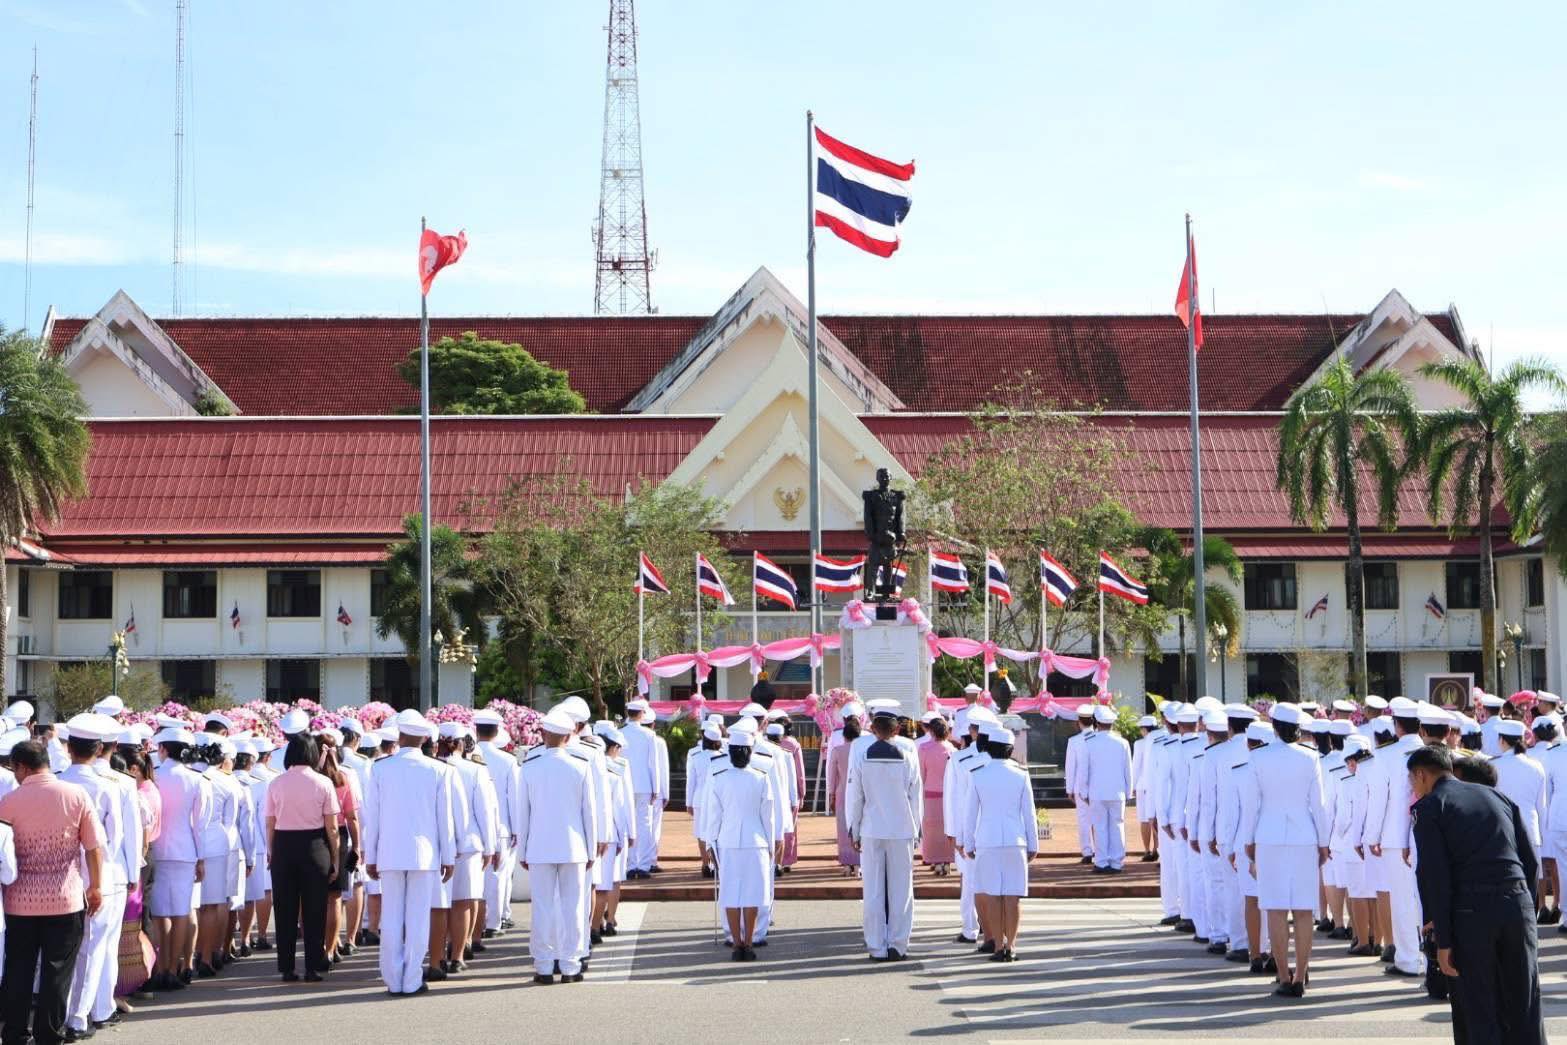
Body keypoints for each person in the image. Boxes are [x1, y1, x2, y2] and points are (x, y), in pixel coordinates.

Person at [1410, 743, 1545, 1045]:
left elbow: (1436, 876)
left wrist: (1443, 939)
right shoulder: (1499, 797)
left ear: (1420, 776)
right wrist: (1524, 910)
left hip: (1471, 913)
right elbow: (1531, 862)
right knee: (1525, 1003)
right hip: (1518, 905)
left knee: (1478, 1008)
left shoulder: (1430, 807)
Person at [0, 740, 105, 1045]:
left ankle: (15, 1034)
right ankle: (50, 1035)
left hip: (19, 902)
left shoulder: (9, 802)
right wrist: (96, 886)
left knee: (18, 970)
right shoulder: (76, 795)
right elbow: (93, 848)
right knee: (57, 974)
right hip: (65, 899)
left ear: (22, 766)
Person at [1238, 702, 1329, 998]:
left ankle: (1282, 974)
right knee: (1303, 911)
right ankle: (1301, 975)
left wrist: (1248, 840)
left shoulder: (1259, 757)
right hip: (1304, 837)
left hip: (1269, 836)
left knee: (1276, 909)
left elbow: (1251, 805)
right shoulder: (1309, 757)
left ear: (1274, 727)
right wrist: (1324, 842)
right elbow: (1319, 805)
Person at [363, 710, 455, 996]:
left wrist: (371, 856)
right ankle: (412, 978)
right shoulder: (439, 770)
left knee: (391, 917)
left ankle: (393, 978)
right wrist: (448, 857)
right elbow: (445, 819)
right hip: (425, 855)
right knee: (417, 918)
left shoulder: (379, 768)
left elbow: (372, 818)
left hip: (390, 852)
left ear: (400, 736)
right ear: (424, 738)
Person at [517, 709, 599, 984]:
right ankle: (570, 966)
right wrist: (590, 849)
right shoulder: (580, 765)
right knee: (573, 907)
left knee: (542, 907)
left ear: (544, 734)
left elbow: (523, 815)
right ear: (569, 736)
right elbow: (590, 813)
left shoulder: (530, 765)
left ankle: (543, 965)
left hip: (539, 847)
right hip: (573, 848)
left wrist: (523, 851)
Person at [58, 714, 127, 1041]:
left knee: (62, 951)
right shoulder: (108, 786)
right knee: (93, 949)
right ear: (99, 749)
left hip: (61, 878)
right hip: (101, 876)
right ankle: (78, 1017)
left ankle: (66, 1013)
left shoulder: (59, 781)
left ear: (69, 748)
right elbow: (113, 838)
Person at [846, 707, 922, 962]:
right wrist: (917, 830)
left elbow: (856, 797)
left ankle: (876, 946)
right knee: (902, 890)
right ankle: (898, 945)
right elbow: (915, 798)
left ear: (873, 729)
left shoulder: (862, 757)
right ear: (897, 729)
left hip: (872, 828)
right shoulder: (909, 757)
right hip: (901, 829)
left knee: (874, 890)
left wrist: (854, 829)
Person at [262, 734, 338, 984]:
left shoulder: (276, 783)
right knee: (315, 910)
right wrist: (335, 858)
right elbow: (332, 827)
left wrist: (272, 852)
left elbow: (270, 824)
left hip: (284, 845)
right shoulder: (323, 783)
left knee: (285, 909)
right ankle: (313, 967)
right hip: (315, 846)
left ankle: (287, 967)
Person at [960, 724, 1038, 962]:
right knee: (1013, 896)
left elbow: (970, 814)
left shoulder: (978, 773)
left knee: (993, 894)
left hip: (988, 841)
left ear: (989, 747)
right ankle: (1011, 946)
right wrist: (1033, 844)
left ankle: (997, 946)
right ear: (1010, 749)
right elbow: (1029, 813)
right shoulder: (1021, 774)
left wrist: (969, 843)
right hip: (1016, 841)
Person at [702, 730, 778, 962]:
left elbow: (714, 816)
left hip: (728, 841)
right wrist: (772, 844)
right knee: (752, 894)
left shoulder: (720, 777)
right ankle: (748, 943)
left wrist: (709, 843)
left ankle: (737, 944)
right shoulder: (761, 776)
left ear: (730, 753)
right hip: (756, 841)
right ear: (750, 753)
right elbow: (769, 816)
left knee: (731, 894)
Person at [147, 728, 210, 991]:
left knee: (160, 913)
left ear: (162, 750)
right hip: (185, 851)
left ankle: (160, 967)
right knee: (181, 911)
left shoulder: (155, 778)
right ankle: (174, 967)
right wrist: (201, 857)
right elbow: (200, 824)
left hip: (157, 849)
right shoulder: (196, 779)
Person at [473, 709, 522, 939]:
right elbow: (515, 798)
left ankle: (476, 924)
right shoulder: (508, 760)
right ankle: (493, 922)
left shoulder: (467, 756)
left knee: (475, 879)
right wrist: (517, 829)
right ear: (496, 732)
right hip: (502, 826)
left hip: (472, 827)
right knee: (498, 877)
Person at [619, 700, 669, 880]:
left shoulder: (620, 733)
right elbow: (653, 764)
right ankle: (644, 863)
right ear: (641, 714)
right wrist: (656, 787)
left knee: (627, 824)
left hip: (625, 784)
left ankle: (630, 864)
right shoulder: (649, 735)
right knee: (645, 824)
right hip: (645, 785)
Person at [1081, 705, 1132, 874]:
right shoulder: (1122, 742)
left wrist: (1084, 792)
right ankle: (1117, 862)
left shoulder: (1089, 742)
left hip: (1097, 792)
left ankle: (1102, 862)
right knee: (1117, 826)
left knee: (1100, 826)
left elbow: (1084, 770)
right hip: (1117, 792)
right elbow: (1128, 770)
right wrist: (1128, 791)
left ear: (1096, 722)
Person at [918, 716, 957, 876]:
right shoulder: (952, 749)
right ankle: (946, 861)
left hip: (929, 794)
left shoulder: (924, 748)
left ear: (931, 731)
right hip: (948, 795)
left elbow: (921, 773)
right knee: (947, 828)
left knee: (931, 829)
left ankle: (935, 860)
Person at [828, 715, 861, 876]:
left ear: (844, 735)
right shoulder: (863, 750)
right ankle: (859, 863)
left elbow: (832, 775)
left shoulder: (837, 750)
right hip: (861, 792)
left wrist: (831, 794)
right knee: (860, 827)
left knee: (843, 829)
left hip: (842, 792)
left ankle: (847, 864)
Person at [1063, 707, 1096, 864]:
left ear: (1079, 722)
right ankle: (1101, 850)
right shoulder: (1100, 738)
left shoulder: (1074, 741)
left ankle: (1087, 851)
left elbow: (1071, 767)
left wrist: (1069, 789)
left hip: (1080, 786)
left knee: (1084, 820)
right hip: (1098, 786)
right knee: (1100, 820)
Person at [1131, 714, 1162, 861]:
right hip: (1158, 784)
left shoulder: (1140, 744)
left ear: (1144, 729)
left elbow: (1136, 767)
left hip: (1143, 785)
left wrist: (1133, 785)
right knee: (1157, 818)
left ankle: (1147, 850)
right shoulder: (1162, 739)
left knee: (1144, 819)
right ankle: (1157, 848)